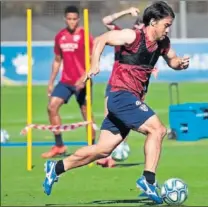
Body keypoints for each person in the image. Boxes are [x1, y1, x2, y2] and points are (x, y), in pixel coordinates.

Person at [43, 1, 190, 204]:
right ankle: (148, 180)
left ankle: (56, 168)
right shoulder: (132, 36)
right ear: (153, 22)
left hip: (128, 99)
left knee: (102, 150)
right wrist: (94, 64)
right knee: (158, 130)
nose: (168, 28)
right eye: (166, 24)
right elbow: (101, 39)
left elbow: (172, 60)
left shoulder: (163, 43)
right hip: (121, 95)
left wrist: (179, 64)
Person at [96, 7, 158, 168]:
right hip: (115, 81)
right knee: (109, 116)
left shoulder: (147, 42)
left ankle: (115, 152)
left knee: (125, 118)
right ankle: (107, 152)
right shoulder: (125, 37)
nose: (138, 29)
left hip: (132, 86)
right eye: (136, 26)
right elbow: (106, 21)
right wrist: (126, 11)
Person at [41, 6, 97, 158]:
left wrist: (84, 78)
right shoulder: (60, 36)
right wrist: (51, 81)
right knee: (52, 107)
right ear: (65, 19)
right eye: (69, 19)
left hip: (83, 81)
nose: (72, 22)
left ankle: (92, 147)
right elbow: (58, 60)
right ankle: (59, 145)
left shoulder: (86, 36)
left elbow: (93, 61)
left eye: (74, 19)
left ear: (78, 19)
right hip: (66, 81)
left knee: (86, 113)